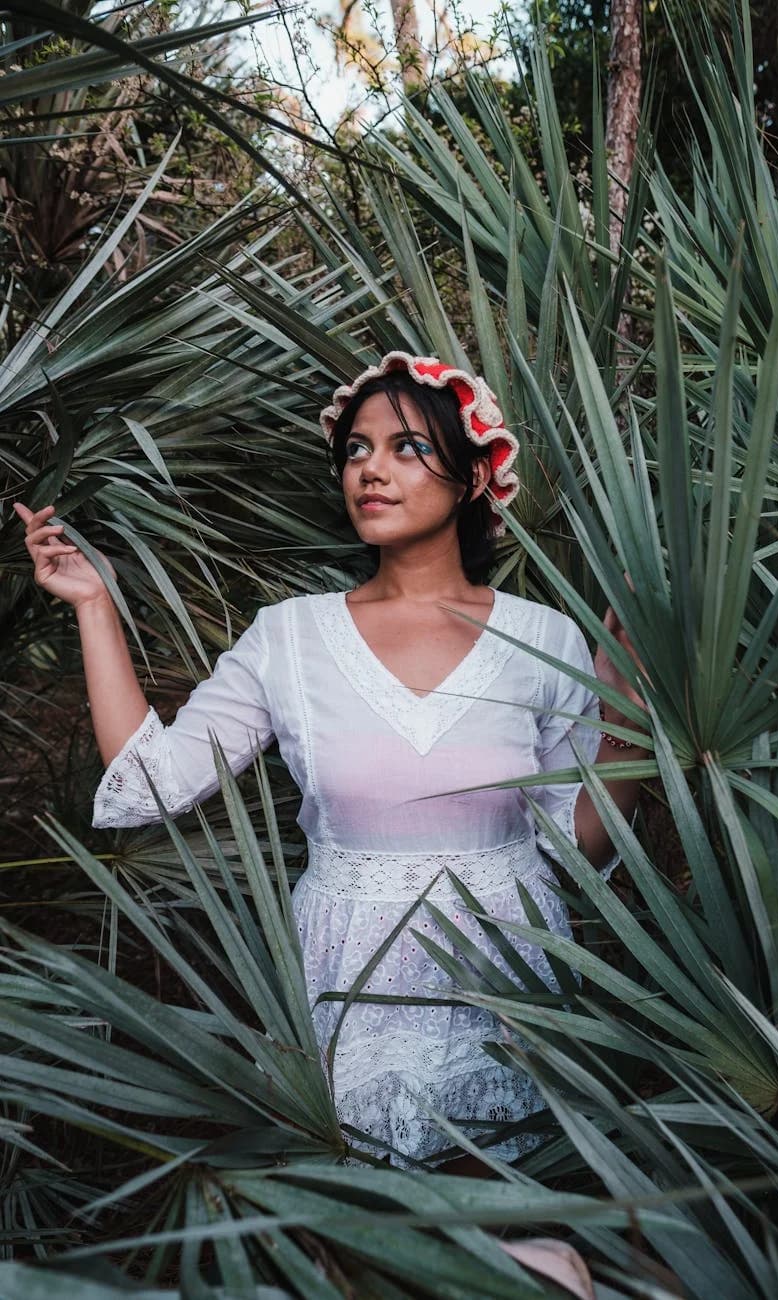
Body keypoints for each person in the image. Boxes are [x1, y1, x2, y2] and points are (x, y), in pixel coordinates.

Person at [14, 351, 647, 1166]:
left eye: (405, 448)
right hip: (346, 978)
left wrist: (624, 725)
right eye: (356, 449)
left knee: (510, 1236)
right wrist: (93, 605)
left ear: (472, 476)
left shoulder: (543, 638)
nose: (370, 470)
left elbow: (578, 848)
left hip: (511, 983)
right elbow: (158, 781)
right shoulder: (291, 636)